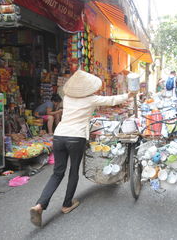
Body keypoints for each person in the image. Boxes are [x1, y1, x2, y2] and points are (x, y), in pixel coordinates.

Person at [30, 70, 136, 227]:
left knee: (57, 173)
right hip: (76, 137)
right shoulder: (91, 99)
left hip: (59, 136)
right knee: (73, 171)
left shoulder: (67, 98)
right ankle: (67, 204)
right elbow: (112, 100)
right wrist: (130, 94)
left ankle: (39, 205)